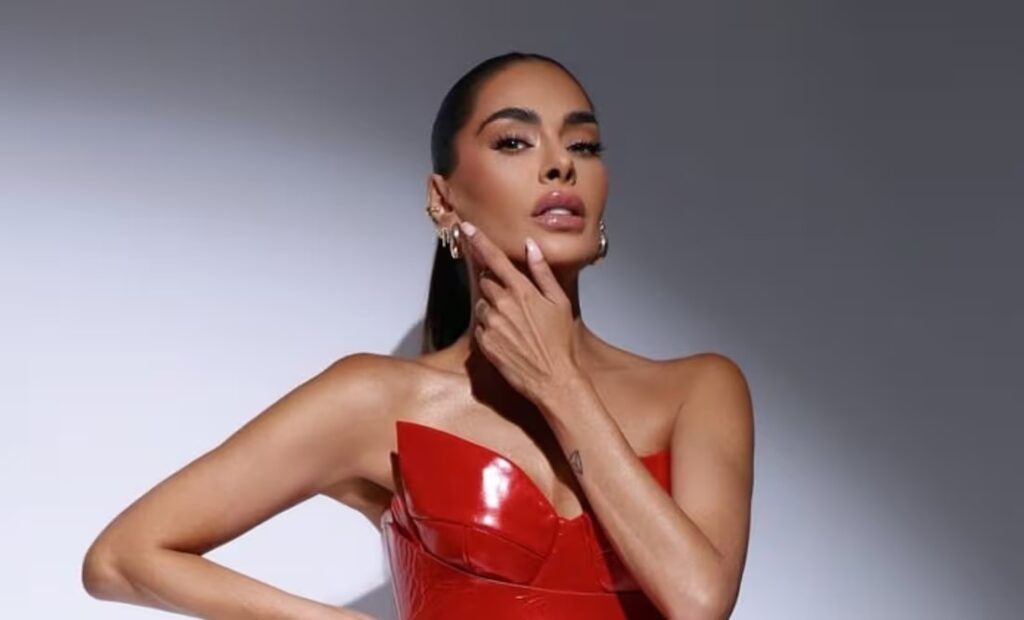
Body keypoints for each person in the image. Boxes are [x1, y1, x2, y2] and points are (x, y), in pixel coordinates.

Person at [82, 51, 754, 620]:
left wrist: (559, 385)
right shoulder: (380, 399)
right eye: (514, 142)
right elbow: (122, 557)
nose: (560, 166)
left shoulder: (697, 389)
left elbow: (699, 602)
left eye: (582, 145)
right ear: (443, 198)